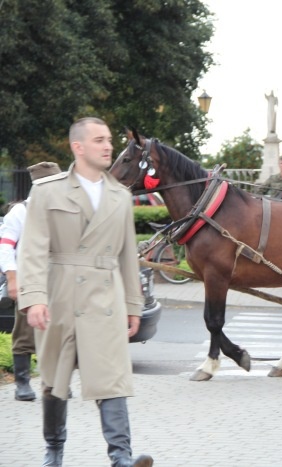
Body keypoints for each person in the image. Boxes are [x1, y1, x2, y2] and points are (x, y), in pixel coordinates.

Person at [18, 117, 153, 467]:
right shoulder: (48, 191)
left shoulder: (120, 197)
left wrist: (133, 305)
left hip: (104, 299)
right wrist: (34, 298)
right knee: (54, 381)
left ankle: (121, 457)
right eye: (99, 140)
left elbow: (127, 256)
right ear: (78, 147)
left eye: (108, 139)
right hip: (59, 296)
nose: (108, 146)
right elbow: (31, 249)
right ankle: (54, 450)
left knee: (112, 379)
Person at [1, 161, 62, 402]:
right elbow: (5, 247)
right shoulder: (21, 212)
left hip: (57, 278)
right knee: (25, 332)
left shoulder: (62, 211)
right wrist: (12, 278)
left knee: (57, 331)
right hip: (27, 278)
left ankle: (54, 381)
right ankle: (22, 382)